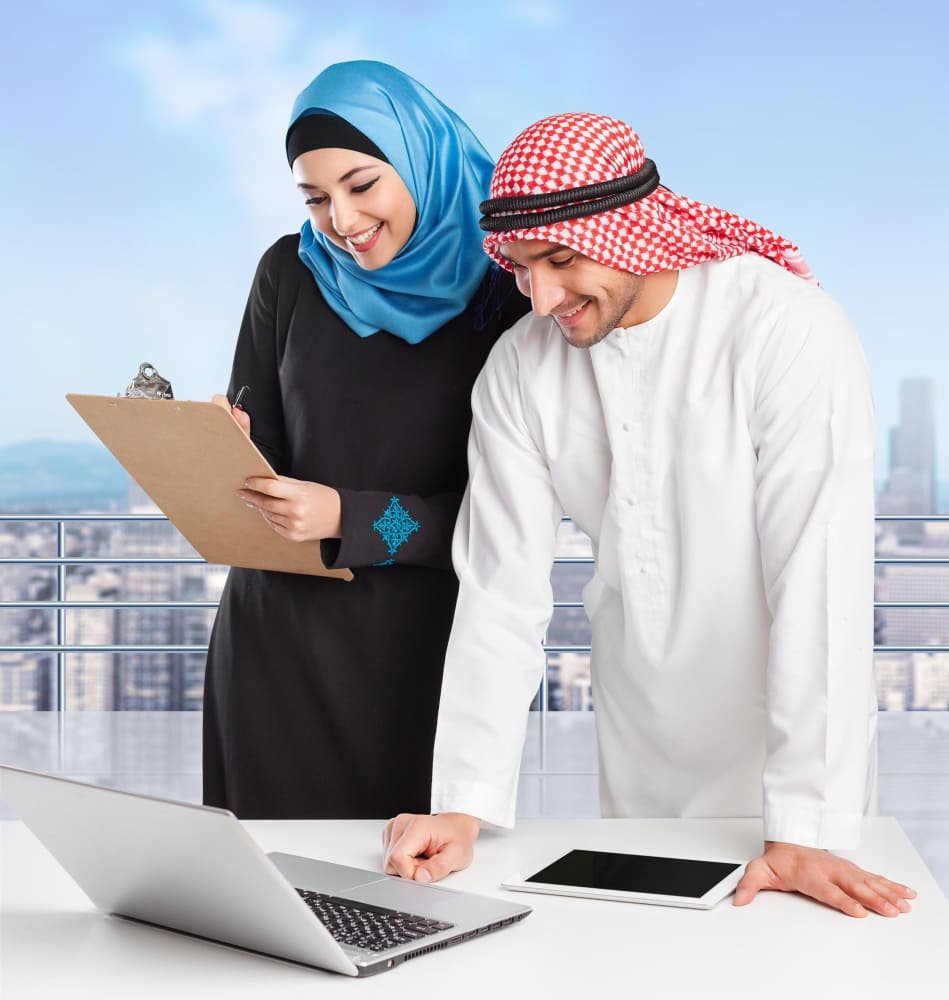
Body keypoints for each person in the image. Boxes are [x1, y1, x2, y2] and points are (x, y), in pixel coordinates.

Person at [382, 112, 917, 918]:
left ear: (631, 230)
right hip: (637, 729)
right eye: (523, 269)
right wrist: (463, 802)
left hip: (793, 743)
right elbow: (499, 591)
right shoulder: (519, 369)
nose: (542, 297)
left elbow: (821, 581)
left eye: (560, 261)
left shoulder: (784, 331)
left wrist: (804, 823)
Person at [202, 61, 528, 819]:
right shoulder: (288, 271)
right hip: (272, 642)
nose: (340, 222)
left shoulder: (510, 293)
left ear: (421, 159)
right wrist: (227, 452)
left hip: (418, 653)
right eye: (314, 198)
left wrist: (347, 517)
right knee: (263, 900)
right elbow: (268, 466)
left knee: (412, 900)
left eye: (361, 185)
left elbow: (506, 519)